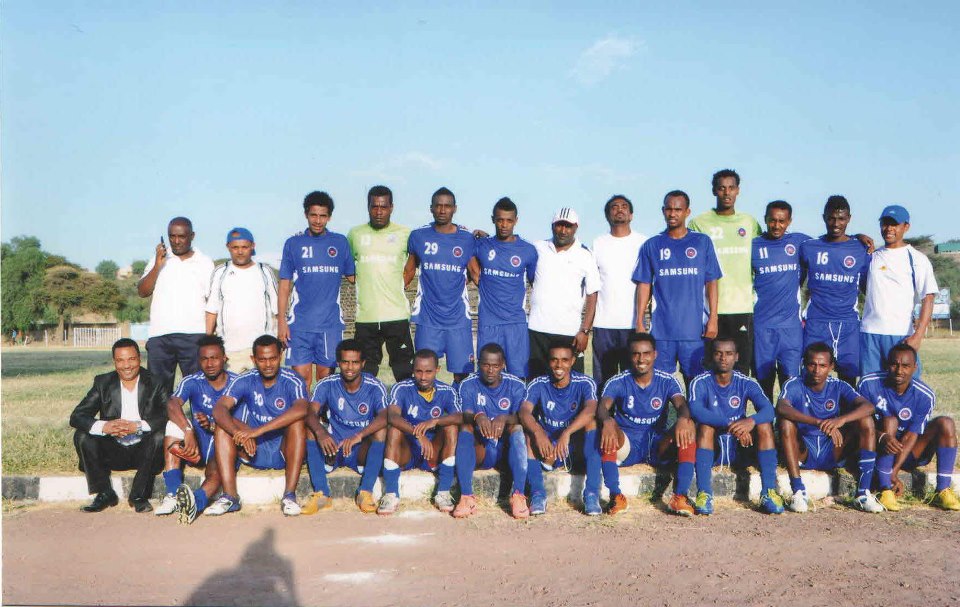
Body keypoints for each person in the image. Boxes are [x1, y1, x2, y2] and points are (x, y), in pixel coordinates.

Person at [208, 335, 309, 516]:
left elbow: (302, 408)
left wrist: (257, 431)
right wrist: (239, 433)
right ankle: (230, 497)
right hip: (253, 449)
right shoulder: (245, 379)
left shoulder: (292, 379)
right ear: (253, 359)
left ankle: (289, 496)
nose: (268, 364)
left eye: (273, 358)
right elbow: (219, 409)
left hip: (283, 449)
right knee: (223, 426)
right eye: (262, 359)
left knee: (298, 423)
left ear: (280, 356)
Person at [598, 332, 697, 516]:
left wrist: (683, 418)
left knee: (687, 426)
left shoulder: (667, 380)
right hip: (628, 443)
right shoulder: (618, 381)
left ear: (655, 354)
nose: (641, 359)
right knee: (609, 427)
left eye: (646, 354)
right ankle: (616, 496)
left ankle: (680, 496)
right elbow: (602, 407)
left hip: (658, 443)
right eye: (636, 354)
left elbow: (681, 405)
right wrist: (607, 420)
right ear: (629, 356)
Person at [776, 342, 882, 513]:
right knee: (786, 423)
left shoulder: (838, 385)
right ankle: (798, 491)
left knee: (866, 420)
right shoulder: (794, 384)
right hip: (804, 448)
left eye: (823, 365)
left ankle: (863, 494)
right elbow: (782, 407)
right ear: (804, 364)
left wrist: (841, 420)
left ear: (831, 366)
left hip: (832, 448)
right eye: (812, 364)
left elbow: (868, 406)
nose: (817, 370)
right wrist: (817, 422)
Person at [70, 338, 168, 513]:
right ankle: (104, 493)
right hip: (113, 450)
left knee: (160, 436)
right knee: (82, 435)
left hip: (145, 451)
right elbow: (77, 416)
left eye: (132, 359)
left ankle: (138, 496)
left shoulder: (156, 382)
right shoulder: (103, 382)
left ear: (140, 359)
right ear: (114, 362)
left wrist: (138, 426)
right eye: (120, 360)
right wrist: (104, 426)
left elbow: (168, 415)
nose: (127, 366)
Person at [687, 337, 783, 515]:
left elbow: (769, 409)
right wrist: (731, 424)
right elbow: (696, 410)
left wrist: (750, 421)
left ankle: (768, 492)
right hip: (714, 445)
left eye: (729, 353)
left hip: (741, 445)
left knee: (764, 425)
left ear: (737, 357)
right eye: (718, 353)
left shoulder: (746, 382)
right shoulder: (700, 382)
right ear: (711, 356)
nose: (724, 358)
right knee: (705, 426)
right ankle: (704, 493)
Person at [858, 343, 959, 511]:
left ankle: (942, 490)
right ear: (886, 364)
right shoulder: (868, 384)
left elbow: (912, 434)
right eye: (894, 364)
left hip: (907, 451)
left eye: (905, 366)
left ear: (914, 368)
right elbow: (858, 424)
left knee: (946, 423)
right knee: (890, 421)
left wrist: (894, 471)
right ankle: (885, 489)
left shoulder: (924, 395)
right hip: (875, 448)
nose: (899, 370)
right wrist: (882, 436)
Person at [634, 191, 721, 385]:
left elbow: (712, 282)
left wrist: (713, 318)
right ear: (663, 211)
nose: (672, 214)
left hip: (694, 331)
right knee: (659, 383)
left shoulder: (702, 242)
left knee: (697, 383)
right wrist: (639, 321)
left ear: (687, 212)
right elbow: (644, 284)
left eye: (678, 209)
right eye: (669, 209)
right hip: (662, 331)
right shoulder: (652, 245)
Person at [278, 191, 356, 387]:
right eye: (313, 215)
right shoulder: (293, 243)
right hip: (300, 325)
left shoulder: (340, 242)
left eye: (323, 216)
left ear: (329, 217)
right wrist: (281, 322)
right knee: (301, 381)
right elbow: (285, 284)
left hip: (330, 325)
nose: (318, 221)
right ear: (306, 214)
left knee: (325, 382)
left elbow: (353, 277)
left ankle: (323, 410)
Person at [156, 335, 238, 523]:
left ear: (224, 358)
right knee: (173, 424)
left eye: (214, 358)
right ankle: (173, 493)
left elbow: (241, 422)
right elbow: (172, 404)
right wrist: (188, 430)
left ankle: (195, 502)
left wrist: (213, 425)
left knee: (216, 471)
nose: (209, 364)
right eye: (204, 359)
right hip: (197, 444)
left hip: (224, 444)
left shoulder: (237, 382)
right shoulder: (192, 381)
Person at [302, 339, 389, 514]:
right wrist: (321, 433)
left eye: (355, 362)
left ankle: (365, 492)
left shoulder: (374, 386)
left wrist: (358, 436)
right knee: (310, 429)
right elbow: (310, 412)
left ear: (363, 363)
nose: (350, 367)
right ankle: (322, 494)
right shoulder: (327, 384)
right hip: (333, 448)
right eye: (345, 362)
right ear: (338, 363)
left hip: (360, 449)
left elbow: (386, 415)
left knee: (381, 430)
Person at [689, 170, 761, 375]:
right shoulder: (699, 223)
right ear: (714, 191)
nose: (726, 193)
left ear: (738, 190)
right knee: (710, 368)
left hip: (742, 307)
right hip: (710, 310)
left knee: (740, 368)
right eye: (721, 188)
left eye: (731, 188)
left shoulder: (749, 222)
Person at [518, 341, 602, 516]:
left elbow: (591, 410)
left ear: (572, 361)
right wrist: (538, 432)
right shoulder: (538, 383)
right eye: (554, 360)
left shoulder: (585, 382)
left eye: (564, 360)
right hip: (549, 444)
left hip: (573, 443)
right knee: (528, 433)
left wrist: (567, 432)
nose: (559, 365)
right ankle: (538, 494)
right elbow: (524, 411)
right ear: (548, 361)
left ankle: (592, 494)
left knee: (592, 424)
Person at [404, 187, 477, 384]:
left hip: (458, 319)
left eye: (447, 206)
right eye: (438, 206)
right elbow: (408, 272)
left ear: (455, 209)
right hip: (428, 319)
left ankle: (457, 404)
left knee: (462, 375)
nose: (442, 210)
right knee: (424, 373)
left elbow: (475, 273)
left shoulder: (467, 238)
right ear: (431, 208)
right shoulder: (419, 236)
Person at [377, 349, 462, 515]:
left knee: (451, 427)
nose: (423, 377)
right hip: (407, 451)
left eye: (428, 371)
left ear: (437, 370)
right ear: (413, 370)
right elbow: (392, 416)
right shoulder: (401, 388)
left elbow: (459, 417)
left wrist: (435, 421)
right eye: (418, 371)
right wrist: (418, 434)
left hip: (431, 452)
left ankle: (443, 492)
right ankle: (391, 494)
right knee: (394, 430)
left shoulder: (447, 391)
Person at [798, 195, 870, 386]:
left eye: (841, 219)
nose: (836, 224)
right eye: (831, 218)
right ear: (824, 217)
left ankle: (846, 407)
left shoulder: (860, 249)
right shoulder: (809, 247)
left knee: (848, 378)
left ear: (849, 219)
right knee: (813, 377)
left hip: (848, 323)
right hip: (817, 322)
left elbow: (867, 288)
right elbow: (797, 282)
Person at [138, 217, 215, 395]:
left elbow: (212, 302)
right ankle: (162, 416)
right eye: (172, 236)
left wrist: (209, 336)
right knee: (158, 394)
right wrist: (157, 266)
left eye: (181, 236)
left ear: (192, 236)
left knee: (199, 391)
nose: (176, 241)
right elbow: (142, 291)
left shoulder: (205, 262)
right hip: (160, 337)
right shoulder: (158, 259)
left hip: (194, 335)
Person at [453, 342, 530, 518]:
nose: (490, 370)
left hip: (506, 451)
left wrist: (504, 418)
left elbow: (523, 417)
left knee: (517, 427)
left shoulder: (516, 385)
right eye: (486, 365)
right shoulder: (468, 384)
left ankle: (518, 495)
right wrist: (478, 416)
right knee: (465, 426)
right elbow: (464, 413)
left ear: (503, 365)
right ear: (479, 363)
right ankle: (466, 497)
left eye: (495, 366)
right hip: (482, 449)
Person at [860, 205, 938, 377]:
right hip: (870, 333)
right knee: (869, 387)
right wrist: (858, 236)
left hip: (901, 334)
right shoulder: (872, 256)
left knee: (904, 385)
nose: (889, 228)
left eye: (894, 224)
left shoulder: (917, 259)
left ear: (906, 227)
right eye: (885, 223)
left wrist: (918, 335)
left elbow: (928, 298)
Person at [348, 185, 415, 382]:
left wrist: (396, 284)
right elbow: (348, 268)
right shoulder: (355, 234)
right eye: (374, 206)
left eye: (383, 207)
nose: (379, 212)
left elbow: (411, 267)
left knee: (404, 370)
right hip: (366, 316)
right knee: (365, 373)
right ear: (368, 207)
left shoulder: (405, 234)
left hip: (396, 315)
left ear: (391, 207)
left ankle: (404, 403)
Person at [527, 208, 600, 380]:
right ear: (552, 226)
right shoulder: (538, 248)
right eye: (559, 225)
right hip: (537, 329)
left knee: (571, 383)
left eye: (568, 226)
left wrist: (585, 331)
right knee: (537, 382)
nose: (563, 230)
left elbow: (592, 295)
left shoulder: (585, 254)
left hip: (569, 332)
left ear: (576, 227)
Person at [469, 197, 538, 379]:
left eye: (509, 220)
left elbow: (534, 282)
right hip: (488, 322)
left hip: (515, 322)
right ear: (493, 219)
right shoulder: (482, 245)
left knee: (518, 375)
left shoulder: (528, 250)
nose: (504, 225)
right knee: (487, 375)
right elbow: (468, 256)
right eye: (500, 220)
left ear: (516, 220)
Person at [751, 200, 811, 401]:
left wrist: (856, 237)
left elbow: (829, 243)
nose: (776, 226)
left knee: (791, 382)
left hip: (790, 328)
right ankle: (767, 419)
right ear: (765, 219)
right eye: (772, 220)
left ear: (789, 221)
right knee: (764, 382)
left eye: (782, 221)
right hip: (762, 327)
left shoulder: (799, 242)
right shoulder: (753, 245)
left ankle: (788, 421)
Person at [591, 195, 646, 388]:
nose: (619, 210)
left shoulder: (643, 243)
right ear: (607, 215)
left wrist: (642, 321)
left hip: (632, 324)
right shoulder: (598, 243)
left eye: (624, 206)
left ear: (631, 215)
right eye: (614, 207)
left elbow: (647, 283)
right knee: (603, 381)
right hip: (603, 324)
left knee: (632, 380)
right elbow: (593, 284)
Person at [206, 227, 278, 372]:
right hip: (229, 350)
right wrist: (207, 343)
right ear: (228, 247)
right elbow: (211, 310)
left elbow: (278, 310)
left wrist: (278, 342)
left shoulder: (264, 271)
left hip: (261, 350)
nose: (240, 251)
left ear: (252, 246)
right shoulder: (220, 272)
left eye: (244, 247)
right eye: (235, 247)